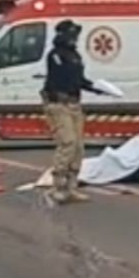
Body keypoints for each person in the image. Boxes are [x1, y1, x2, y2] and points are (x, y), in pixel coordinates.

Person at [41, 19, 102, 203]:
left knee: (78, 146)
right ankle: (58, 185)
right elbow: (64, 79)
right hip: (59, 103)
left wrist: (94, 87)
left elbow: (79, 79)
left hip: (74, 103)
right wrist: (82, 84)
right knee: (68, 142)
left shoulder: (74, 55)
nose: (74, 38)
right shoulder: (55, 55)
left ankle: (71, 186)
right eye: (71, 34)